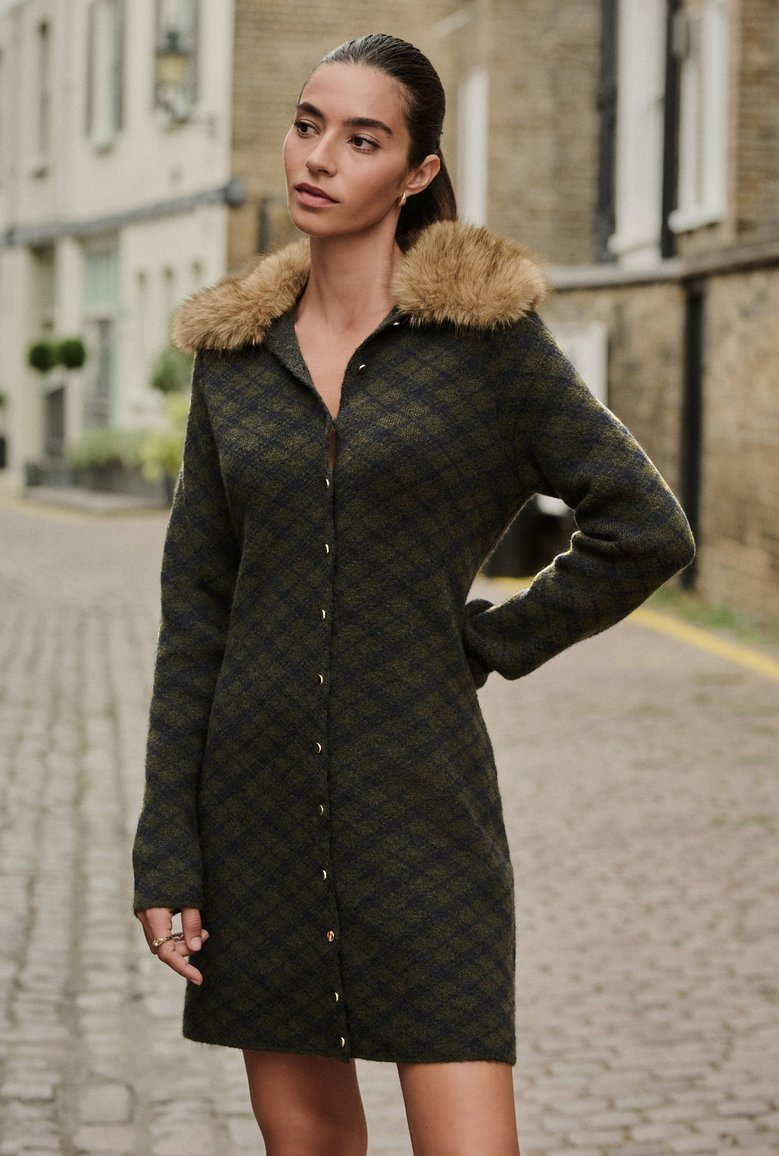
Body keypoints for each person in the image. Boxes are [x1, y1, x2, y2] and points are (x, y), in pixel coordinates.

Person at [133, 32, 695, 1156]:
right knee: (307, 1143)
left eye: (362, 139)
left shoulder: (486, 346)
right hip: (254, 808)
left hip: (421, 804)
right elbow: (196, 612)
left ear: (417, 170)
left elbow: (644, 526)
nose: (319, 157)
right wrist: (167, 848)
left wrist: (489, 641)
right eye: (308, 126)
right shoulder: (233, 361)